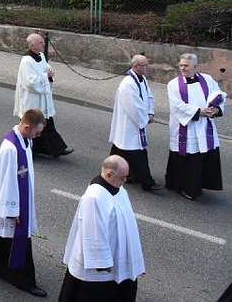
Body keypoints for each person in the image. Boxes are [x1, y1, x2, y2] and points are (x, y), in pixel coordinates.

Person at [0, 108, 48, 298]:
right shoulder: (10, 148)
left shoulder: (25, 140)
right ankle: (25, 280)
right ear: (27, 126)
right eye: (37, 132)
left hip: (21, 197)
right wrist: (12, 209)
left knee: (0, 233)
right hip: (11, 201)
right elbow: (6, 181)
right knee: (18, 237)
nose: (38, 136)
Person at [59, 155, 146, 302]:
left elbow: (128, 224)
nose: (125, 181)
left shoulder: (120, 189)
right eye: (123, 178)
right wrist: (102, 262)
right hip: (101, 267)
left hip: (118, 256)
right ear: (109, 174)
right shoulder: (94, 197)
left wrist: (134, 259)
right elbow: (93, 231)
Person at [165, 53, 226, 200]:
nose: (182, 68)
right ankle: (183, 186)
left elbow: (218, 94)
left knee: (201, 157)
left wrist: (216, 109)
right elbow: (177, 106)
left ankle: (198, 184)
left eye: (186, 65)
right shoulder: (173, 84)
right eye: (180, 65)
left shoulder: (207, 79)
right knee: (188, 157)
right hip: (186, 127)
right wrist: (199, 112)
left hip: (204, 126)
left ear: (195, 66)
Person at [109, 54, 163, 192]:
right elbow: (133, 106)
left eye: (146, 64)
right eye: (144, 65)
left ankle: (122, 175)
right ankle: (147, 183)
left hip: (136, 123)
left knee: (121, 151)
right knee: (138, 154)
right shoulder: (128, 83)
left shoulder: (142, 79)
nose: (146, 67)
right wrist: (144, 119)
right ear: (135, 66)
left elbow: (149, 97)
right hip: (129, 125)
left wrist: (150, 112)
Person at [14, 32, 73, 158]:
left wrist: (50, 74)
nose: (43, 44)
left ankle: (56, 149)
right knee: (30, 125)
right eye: (40, 42)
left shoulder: (40, 56)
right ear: (32, 46)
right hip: (32, 100)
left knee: (47, 124)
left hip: (43, 99)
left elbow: (46, 69)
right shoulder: (26, 61)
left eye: (42, 41)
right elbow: (30, 83)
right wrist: (47, 76)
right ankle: (26, 150)